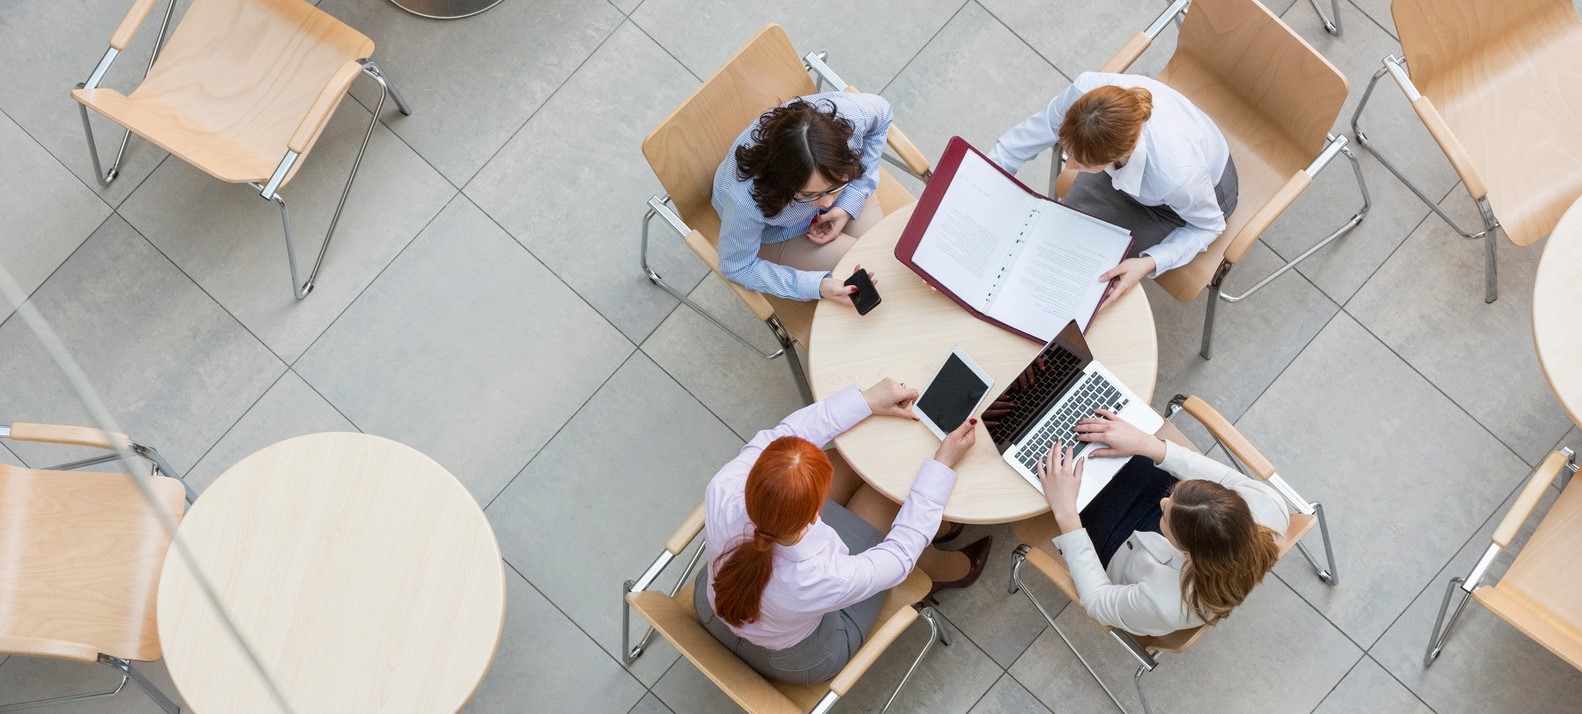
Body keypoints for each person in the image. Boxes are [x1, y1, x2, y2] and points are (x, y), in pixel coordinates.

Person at [696, 378, 994, 684]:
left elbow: (782, 436)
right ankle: (945, 569)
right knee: (882, 497)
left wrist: (867, 400)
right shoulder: (825, 576)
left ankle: (940, 531)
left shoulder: (725, 486)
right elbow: (900, 554)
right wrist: (942, 464)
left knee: (861, 461)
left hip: (714, 608)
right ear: (816, 514)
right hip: (795, 659)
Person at [988, 72, 1238, 310]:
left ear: (1123, 153)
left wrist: (1148, 263)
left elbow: (1210, 226)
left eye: (1083, 163)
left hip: (1190, 203)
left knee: (1084, 274)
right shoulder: (1085, 95)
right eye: (1066, 149)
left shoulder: (1177, 177)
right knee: (1054, 239)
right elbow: (1017, 145)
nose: (1071, 166)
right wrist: (986, 180)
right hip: (1122, 169)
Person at [1034, 409, 1287, 636]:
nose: (1163, 502)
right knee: (1100, 438)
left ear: (1186, 553)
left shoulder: (1165, 604)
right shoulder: (1267, 506)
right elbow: (1219, 476)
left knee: (1053, 478)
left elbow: (1098, 601)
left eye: (1166, 513)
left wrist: (1066, 512)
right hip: (1185, 525)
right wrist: (1146, 443)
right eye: (1174, 492)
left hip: (1121, 543)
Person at [713, 93, 892, 311]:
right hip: (778, 230)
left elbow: (883, 115)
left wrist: (849, 200)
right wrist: (816, 285)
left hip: (846, 191)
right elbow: (736, 266)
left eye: (832, 186)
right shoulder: (745, 200)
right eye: (810, 194)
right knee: (875, 271)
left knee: (889, 256)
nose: (827, 203)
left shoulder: (853, 114)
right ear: (783, 181)